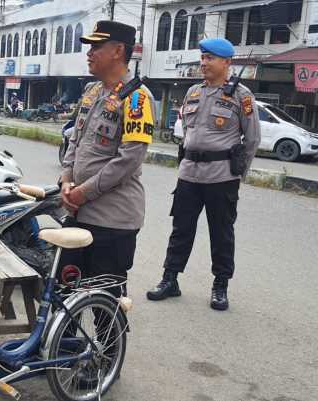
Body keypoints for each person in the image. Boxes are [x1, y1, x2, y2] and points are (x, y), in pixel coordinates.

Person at [146, 38, 261, 311]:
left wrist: (237, 174)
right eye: (203, 57)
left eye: (210, 58)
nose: (204, 63)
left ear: (226, 62)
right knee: (180, 229)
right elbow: (188, 131)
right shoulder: (193, 92)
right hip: (189, 173)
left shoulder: (241, 96)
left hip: (221, 177)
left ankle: (220, 285)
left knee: (221, 233)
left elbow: (253, 139)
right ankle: (170, 279)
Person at [60, 21, 156, 298]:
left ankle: (110, 344)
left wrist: (82, 193)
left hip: (112, 220)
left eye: (96, 47)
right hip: (79, 212)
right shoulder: (92, 92)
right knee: (64, 292)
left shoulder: (137, 98)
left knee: (106, 299)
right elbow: (74, 141)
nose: (89, 53)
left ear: (117, 51)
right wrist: (66, 180)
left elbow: (129, 159)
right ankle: (66, 343)